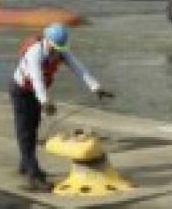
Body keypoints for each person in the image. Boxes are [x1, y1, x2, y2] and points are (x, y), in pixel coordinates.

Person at [9, 23, 112, 191]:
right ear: (46, 41)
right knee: (25, 132)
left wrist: (96, 87)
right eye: (54, 47)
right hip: (21, 90)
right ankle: (34, 176)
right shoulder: (35, 52)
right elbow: (36, 78)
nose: (56, 51)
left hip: (36, 93)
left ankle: (25, 164)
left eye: (59, 48)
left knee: (33, 127)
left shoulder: (61, 52)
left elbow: (79, 69)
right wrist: (45, 101)